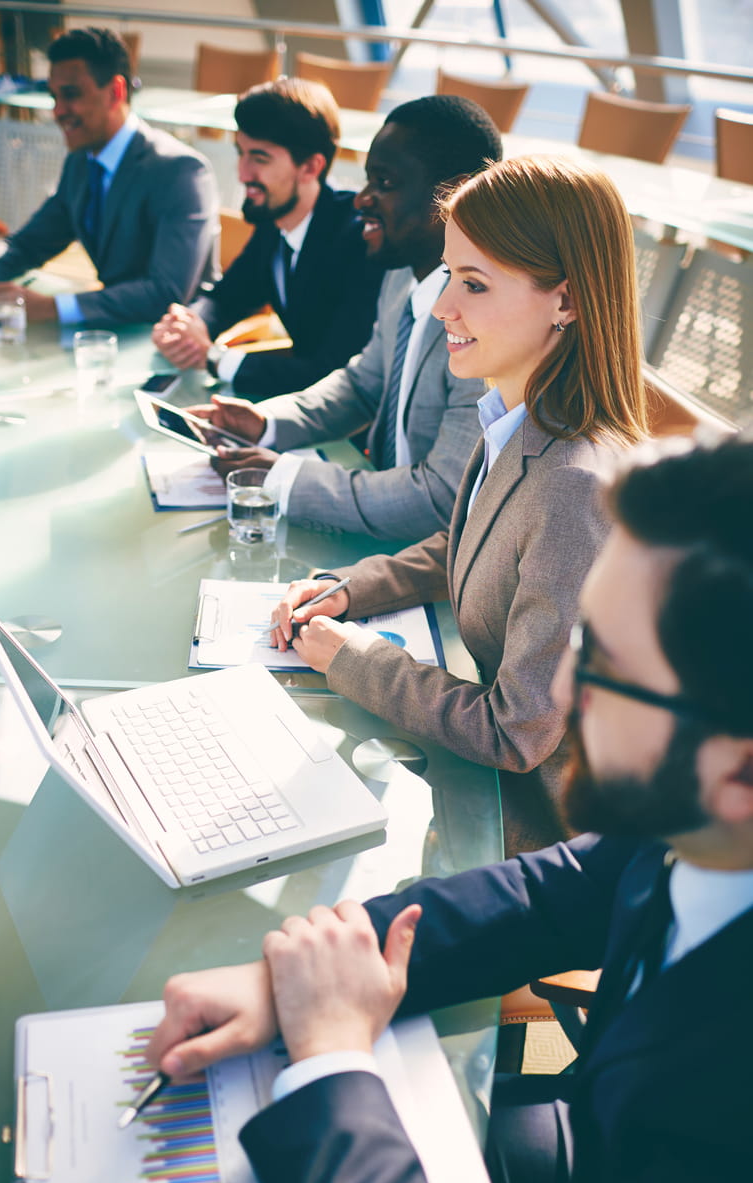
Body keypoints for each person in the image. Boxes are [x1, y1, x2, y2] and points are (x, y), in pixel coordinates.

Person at [147, 437, 753, 1183]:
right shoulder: (701, 824)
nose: (564, 691)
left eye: (604, 666)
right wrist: (311, 975)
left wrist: (330, 1062)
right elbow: (557, 888)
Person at [269, 154, 650, 852]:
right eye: (449, 274)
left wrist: (352, 657)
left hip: (539, 841)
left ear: (566, 301)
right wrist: (353, 588)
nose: (444, 305)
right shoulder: (518, 413)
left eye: (473, 284)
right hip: (473, 791)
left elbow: (514, 732)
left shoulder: (575, 487)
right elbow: (476, 537)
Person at [185, 94, 503, 541]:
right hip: (377, 530)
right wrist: (265, 423)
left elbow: (440, 498)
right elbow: (361, 384)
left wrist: (286, 480)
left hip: (434, 556)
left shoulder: (485, 323)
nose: (362, 200)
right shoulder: (399, 277)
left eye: (385, 183)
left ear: (458, 194)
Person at [0, 28, 219, 326]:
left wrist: (53, 307)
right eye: (54, 97)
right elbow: (29, 243)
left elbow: (164, 293)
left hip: (177, 343)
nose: (58, 111)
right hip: (114, 330)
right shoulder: (81, 162)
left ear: (116, 91)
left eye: (71, 95)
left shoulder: (181, 171)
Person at [151, 77, 384, 399]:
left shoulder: (360, 241)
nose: (242, 174)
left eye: (259, 159)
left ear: (310, 167)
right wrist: (188, 327)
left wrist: (214, 357)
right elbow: (226, 298)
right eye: (241, 153)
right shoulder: (274, 223)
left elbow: (332, 371)